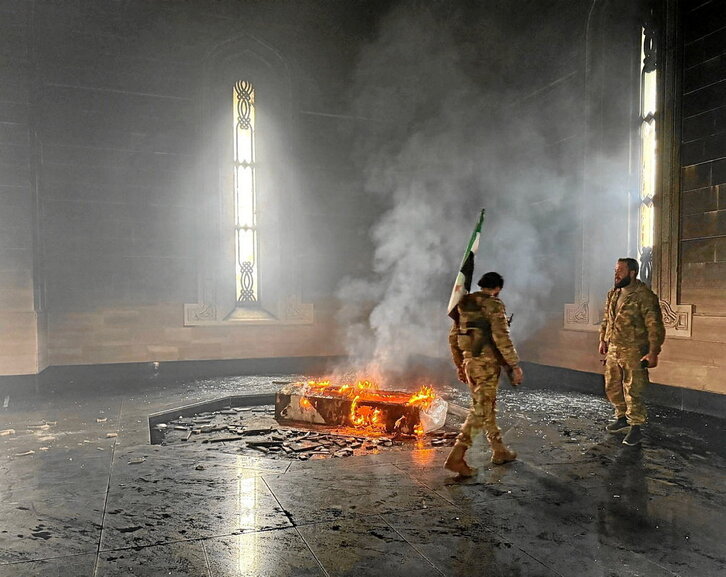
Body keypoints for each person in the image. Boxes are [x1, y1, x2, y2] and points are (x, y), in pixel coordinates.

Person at [444, 271, 523, 477]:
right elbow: (501, 337)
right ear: (497, 288)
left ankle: (499, 450)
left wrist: (460, 365)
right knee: (481, 409)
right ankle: (457, 455)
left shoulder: (463, 304)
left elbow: (453, 337)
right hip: (486, 364)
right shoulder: (494, 305)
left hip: (470, 363)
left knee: (487, 407)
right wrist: (514, 365)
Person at [599, 257, 665, 446]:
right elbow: (606, 319)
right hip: (614, 348)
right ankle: (621, 417)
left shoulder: (644, 296)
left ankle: (636, 427)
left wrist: (653, 352)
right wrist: (603, 339)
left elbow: (655, 327)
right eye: (615, 270)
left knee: (633, 389)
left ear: (632, 273)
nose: (616, 274)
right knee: (612, 385)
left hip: (634, 350)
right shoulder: (613, 294)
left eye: (620, 270)